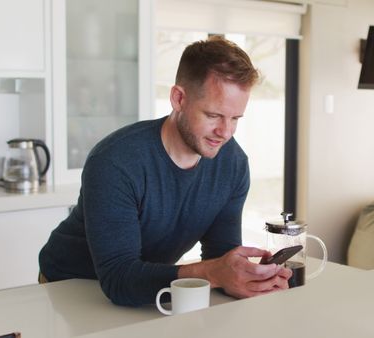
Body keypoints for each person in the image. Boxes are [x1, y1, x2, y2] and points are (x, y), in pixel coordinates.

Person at [38, 36, 291, 307]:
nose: (225, 132)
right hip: (69, 287)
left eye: (235, 118)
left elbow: (220, 258)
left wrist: (248, 279)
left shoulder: (233, 165)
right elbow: (119, 278)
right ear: (179, 98)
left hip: (142, 288)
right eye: (213, 115)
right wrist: (215, 273)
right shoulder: (116, 161)